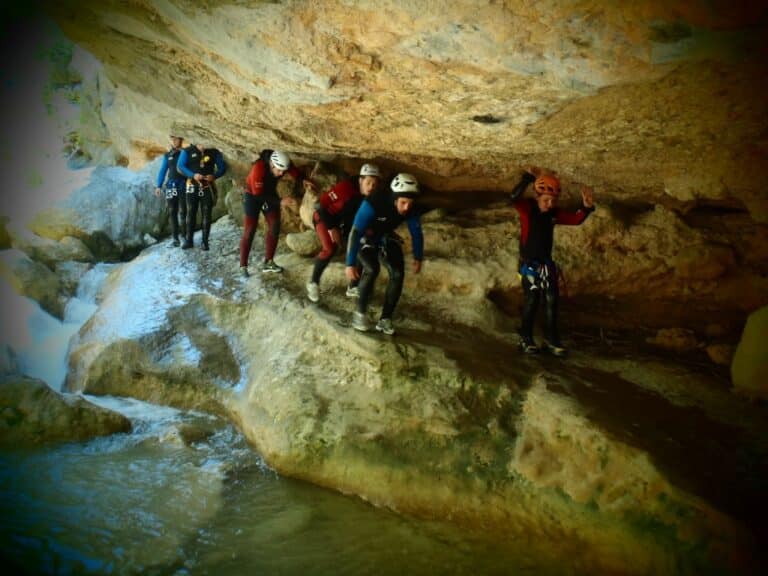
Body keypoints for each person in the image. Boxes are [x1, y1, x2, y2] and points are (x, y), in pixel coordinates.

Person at [509, 169, 595, 356]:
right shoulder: (528, 209)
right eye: (546, 200)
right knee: (532, 300)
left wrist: (586, 207)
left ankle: (551, 340)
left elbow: (575, 220)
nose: (550, 204)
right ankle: (525, 339)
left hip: (546, 264)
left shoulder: (553, 214)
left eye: (553, 201)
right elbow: (513, 197)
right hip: (529, 264)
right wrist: (526, 180)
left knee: (552, 301)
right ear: (537, 197)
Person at [345, 173, 424, 335]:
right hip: (364, 235)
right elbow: (355, 232)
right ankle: (359, 314)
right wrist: (350, 263)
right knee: (373, 269)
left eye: (410, 203)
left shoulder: (411, 208)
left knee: (397, 273)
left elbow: (416, 233)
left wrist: (418, 257)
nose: (406, 208)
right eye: (403, 203)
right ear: (394, 198)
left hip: (384, 236)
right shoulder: (374, 202)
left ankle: (385, 319)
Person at [305, 163, 382, 303]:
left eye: (374, 184)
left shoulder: (371, 195)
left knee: (360, 244)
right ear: (360, 180)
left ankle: (353, 286)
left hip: (344, 222)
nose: (371, 187)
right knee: (330, 248)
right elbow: (320, 205)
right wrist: (332, 228)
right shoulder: (345, 188)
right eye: (368, 182)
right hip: (324, 218)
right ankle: (313, 283)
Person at [239, 149, 314, 276]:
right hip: (253, 196)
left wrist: (303, 179)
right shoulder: (258, 169)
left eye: (283, 171)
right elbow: (258, 196)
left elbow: (294, 172)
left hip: (269, 193)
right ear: (271, 164)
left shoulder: (282, 164)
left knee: (274, 225)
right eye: (278, 170)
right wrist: (280, 201)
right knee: (250, 229)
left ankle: (268, 262)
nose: (280, 174)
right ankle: (243, 266)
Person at [177, 142, 227, 251]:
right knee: (191, 212)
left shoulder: (214, 151)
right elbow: (180, 166)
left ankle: (205, 242)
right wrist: (193, 175)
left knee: (207, 213)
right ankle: (189, 240)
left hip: (207, 186)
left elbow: (222, 167)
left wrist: (214, 176)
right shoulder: (187, 151)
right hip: (191, 185)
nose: (204, 146)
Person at [153, 134, 186, 247]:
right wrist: (158, 185)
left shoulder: (185, 153)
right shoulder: (168, 155)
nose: (175, 141)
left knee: (183, 210)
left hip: (183, 184)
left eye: (177, 138)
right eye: (173, 139)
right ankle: (175, 239)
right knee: (172, 211)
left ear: (181, 140)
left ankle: (185, 237)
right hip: (171, 185)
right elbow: (163, 170)